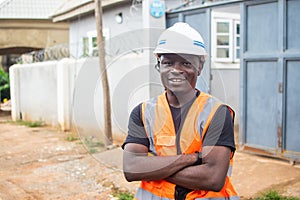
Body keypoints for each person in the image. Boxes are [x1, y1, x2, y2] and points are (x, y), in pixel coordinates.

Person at [122, 22, 239, 200]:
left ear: (199, 67)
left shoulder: (217, 113)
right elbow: (131, 169)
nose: (176, 70)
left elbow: (213, 178)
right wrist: (193, 158)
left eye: (185, 62)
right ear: (159, 67)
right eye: (168, 62)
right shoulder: (142, 113)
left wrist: (150, 168)